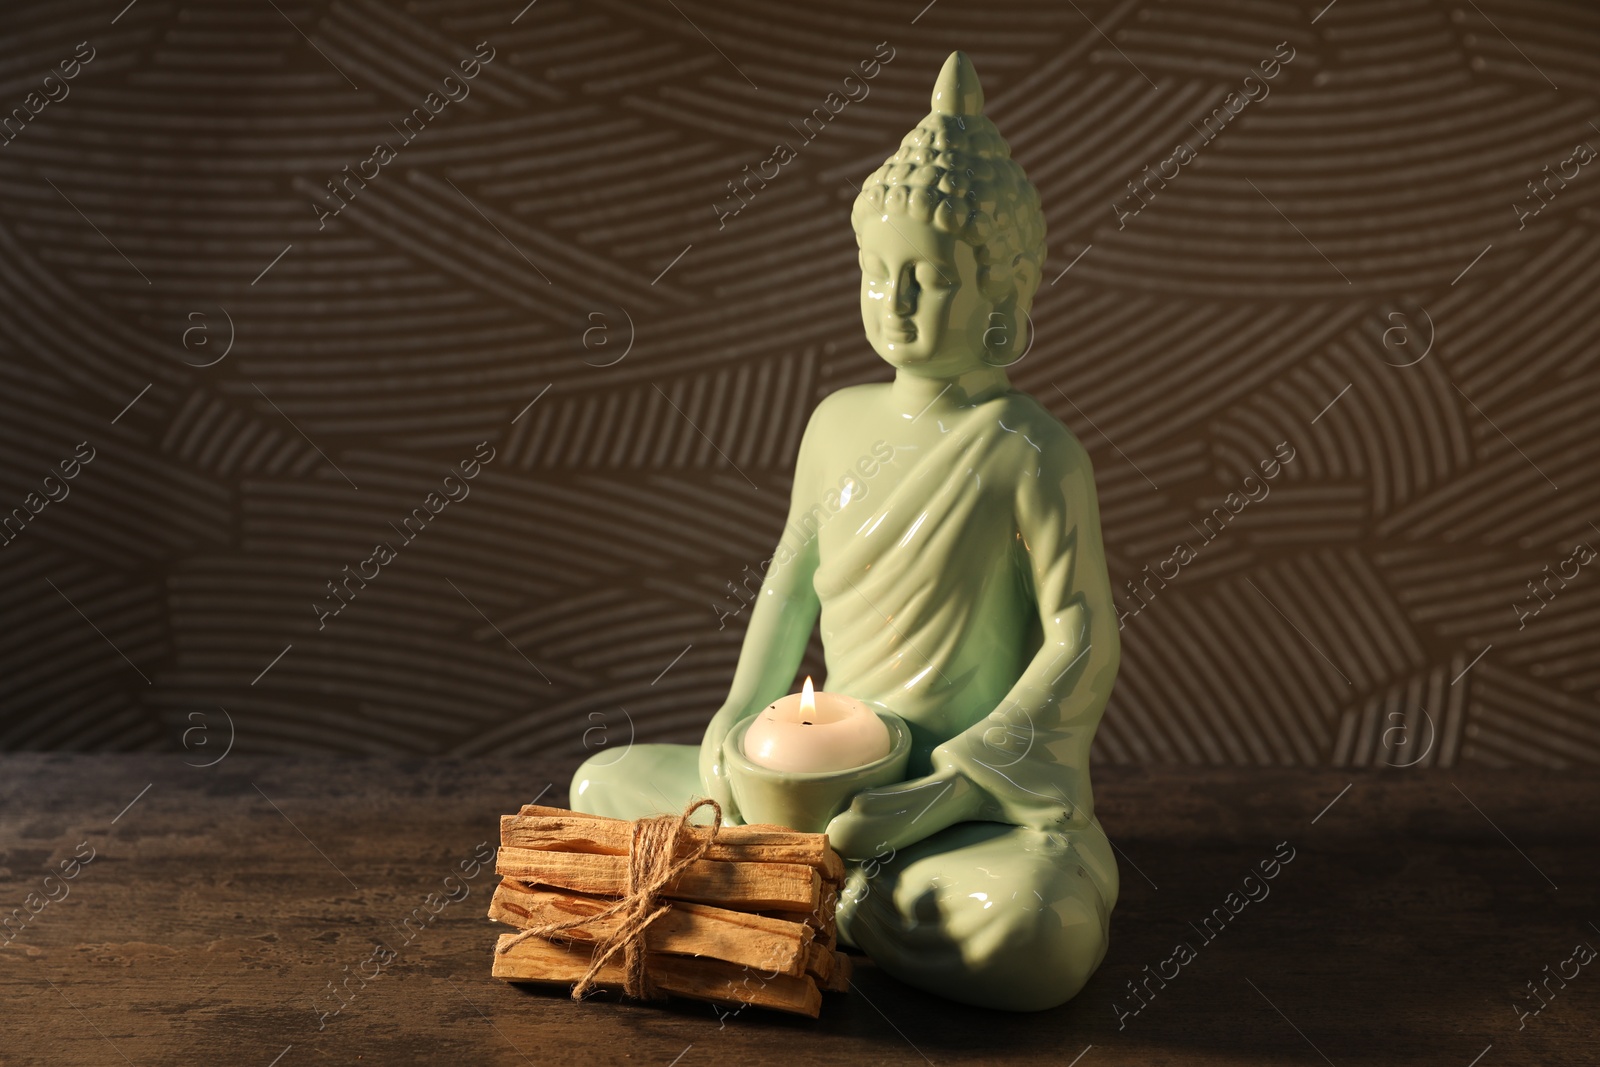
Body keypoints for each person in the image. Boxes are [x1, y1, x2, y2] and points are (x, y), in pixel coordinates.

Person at [572, 51, 1120, 1011]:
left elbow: (1082, 637)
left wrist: (948, 787)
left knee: (1037, 931)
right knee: (602, 783)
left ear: (1007, 293)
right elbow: (792, 577)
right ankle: (827, 887)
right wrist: (736, 717)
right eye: (877, 271)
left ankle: (797, 894)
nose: (896, 301)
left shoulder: (1032, 450)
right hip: (817, 784)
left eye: (932, 277)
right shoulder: (835, 421)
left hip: (960, 810)